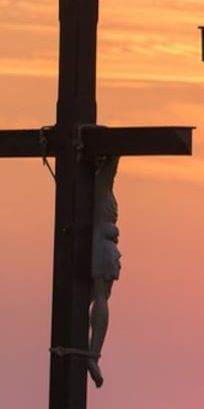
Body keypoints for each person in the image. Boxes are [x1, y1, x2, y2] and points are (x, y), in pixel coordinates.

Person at [87, 155, 121, 388]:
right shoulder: (99, 184)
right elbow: (115, 158)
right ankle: (92, 355)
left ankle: (92, 353)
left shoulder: (99, 185)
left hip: (103, 245)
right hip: (100, 245)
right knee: (99, 297)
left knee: (98, 297)